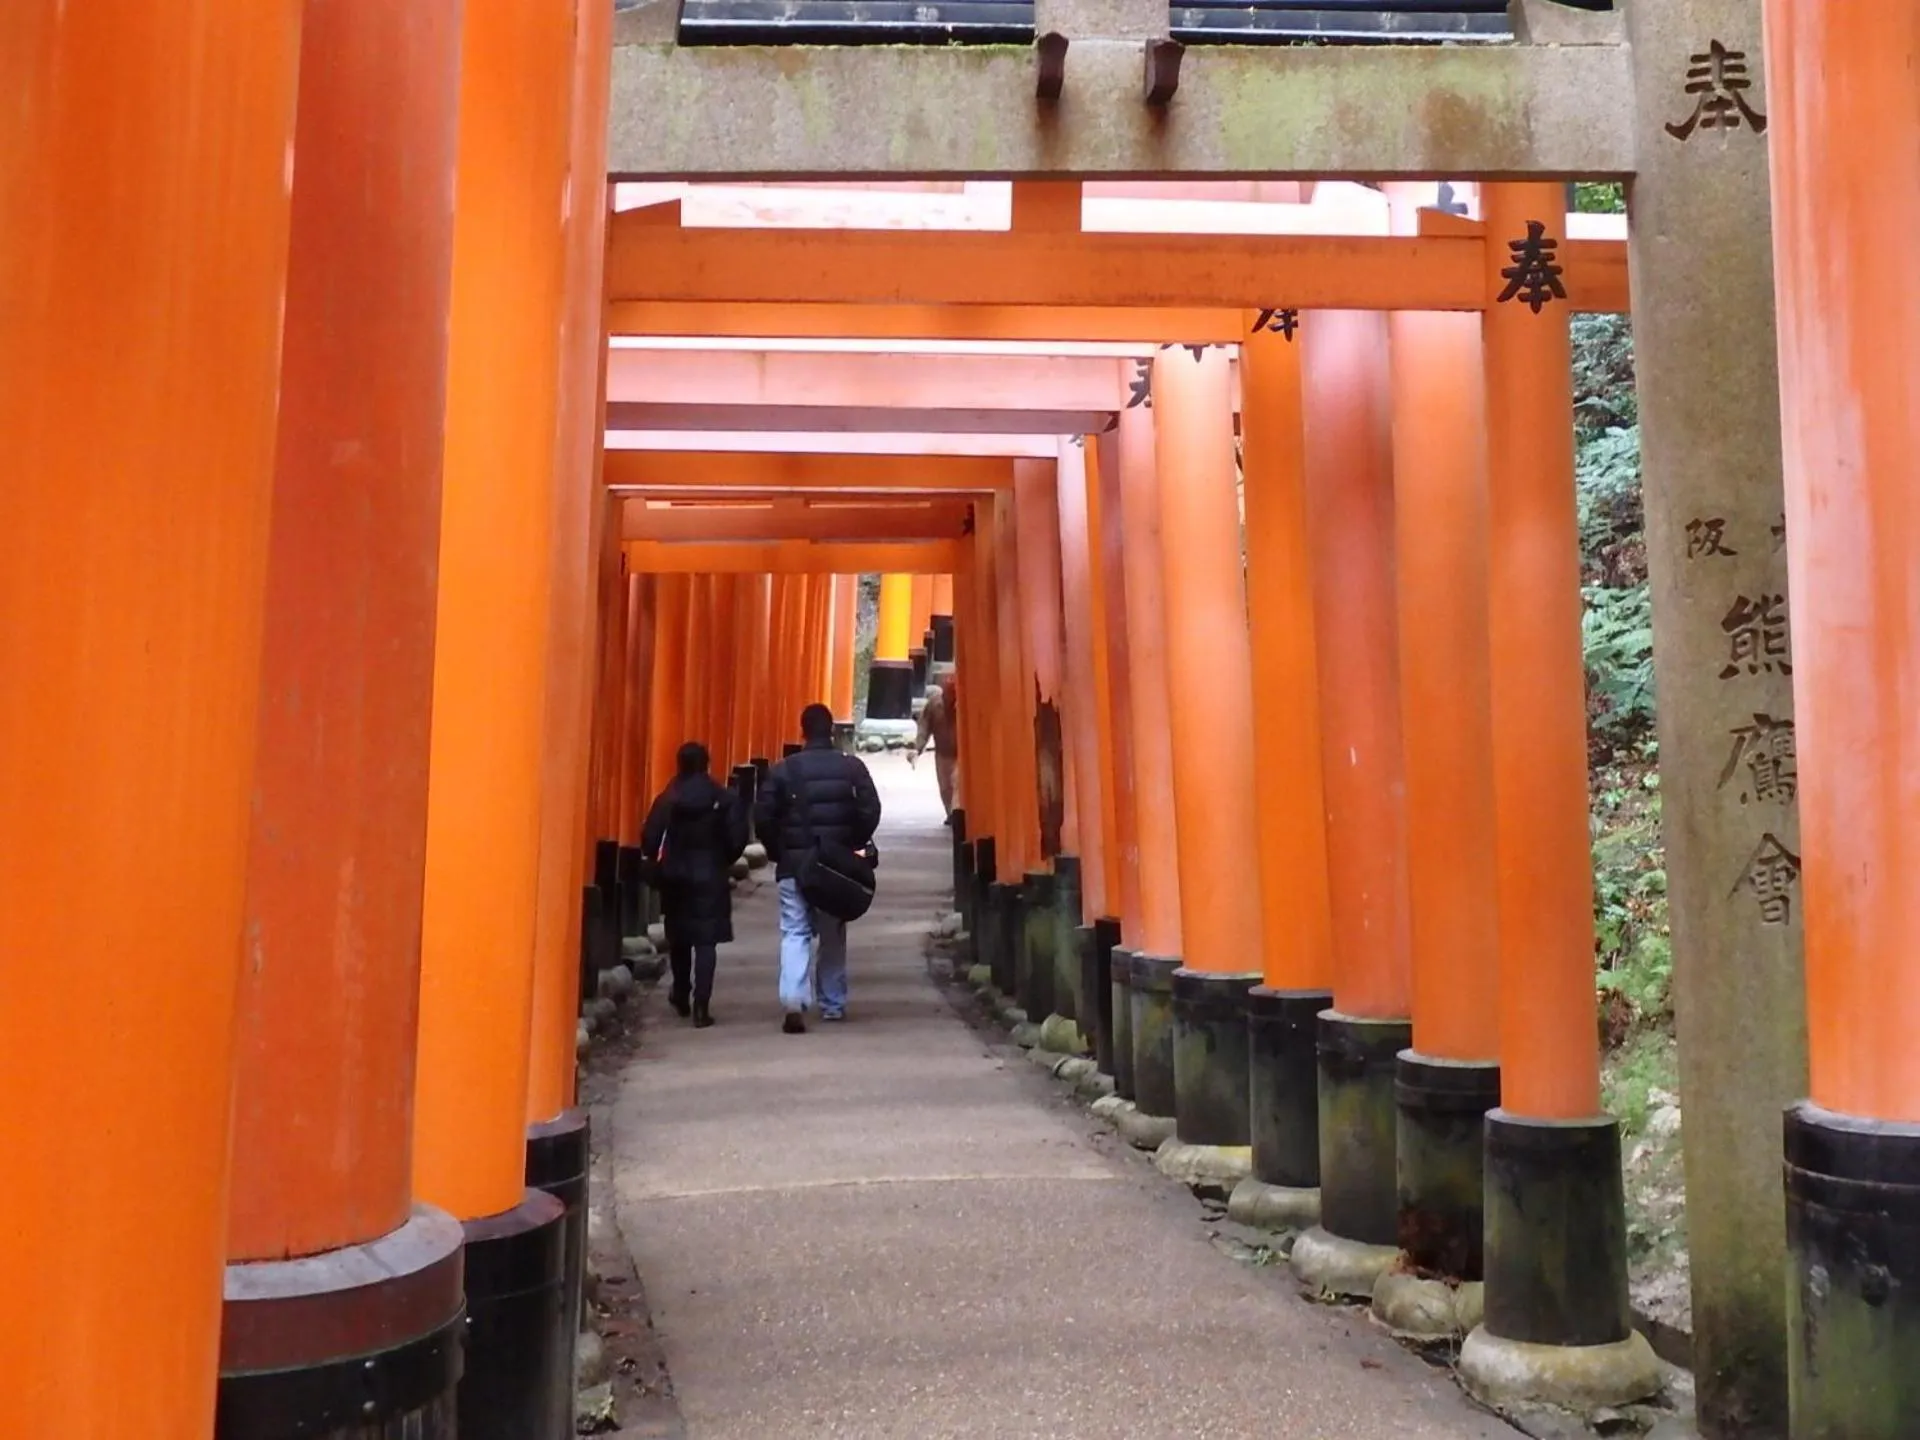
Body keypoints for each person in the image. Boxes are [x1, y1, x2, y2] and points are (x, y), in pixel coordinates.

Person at [755, 703, 882, 1033]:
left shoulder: (783, 771)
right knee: (832, 933)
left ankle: (793, 998)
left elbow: (763, 817)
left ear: (803, 731)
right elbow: (871, 809)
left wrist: (779, 851)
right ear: (832, 732)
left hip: (794, 864)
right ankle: (833, 1003)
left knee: (794, 930)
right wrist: (852, 840)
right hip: (834, 867)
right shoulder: (852, 768)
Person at [640, 741, 749, 1029]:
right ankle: (702, 1004)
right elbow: (737, 839)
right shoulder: (722, 798)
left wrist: (657, 861)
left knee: (679, 937)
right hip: (711, 874)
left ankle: (680, 991)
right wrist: (721, 859)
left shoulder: (668, 798)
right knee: (706, 941)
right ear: (707, 764)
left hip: (675, 874)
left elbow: (650, 839)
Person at [907, 667, 958, 824]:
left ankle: (958, 814)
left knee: (958, 784)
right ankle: (951, 813)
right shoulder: (934, 704)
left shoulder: (967, 704)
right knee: (945, 787)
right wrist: (917, 748)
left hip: (963, 754)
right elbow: (924, 728)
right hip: (943, 753)